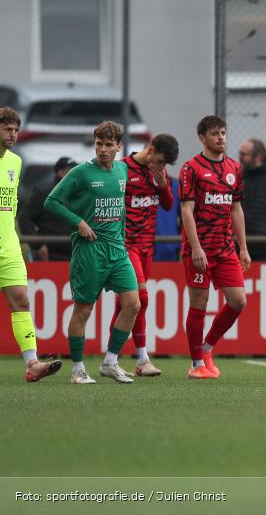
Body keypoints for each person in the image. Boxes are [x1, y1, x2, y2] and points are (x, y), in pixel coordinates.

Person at [45, 121, 141, 384]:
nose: (103, 149)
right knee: (84, 310)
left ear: (118, 147)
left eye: (109, 145)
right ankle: (77, 370)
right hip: (90, 251)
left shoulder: (122, 170)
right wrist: (79, 222)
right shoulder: (81, 173)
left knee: (133, 304)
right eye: (99, 144)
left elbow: (119, 208)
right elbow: (51, 202)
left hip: (117, 250)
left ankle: (110, 362)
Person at [180, 116, 251, 379]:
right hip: (199, 251)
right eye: (214, 134)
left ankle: (207, 348)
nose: (220, 137)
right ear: (202, 138)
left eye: (223, 133)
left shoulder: (234, 168)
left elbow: (236, 208)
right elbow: (186, 210)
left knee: (238, 301)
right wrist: (195, 247)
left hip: (225, 250)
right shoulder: (192, 168)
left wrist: (242, 247)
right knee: (199, 304)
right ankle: (197, 363)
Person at [108, 134, 179, 376]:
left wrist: (161, 184)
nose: (161, 167)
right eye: (159, 161)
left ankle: (111, 360)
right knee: (142, 298)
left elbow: (169, 205)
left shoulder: (158, 174)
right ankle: (142, 359)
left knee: (126, 305)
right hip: (126, 245)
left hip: (148, 246)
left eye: (164, 164)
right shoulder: (122, 169)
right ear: (150, 149)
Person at [0, 108, 62, 382]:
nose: (13, 134)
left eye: (15, 129)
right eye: (7, 129)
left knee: (22, 301)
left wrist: (17, 240)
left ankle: (32, 363)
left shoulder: (15, 162)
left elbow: (10, 208)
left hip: (8, 244)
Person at [19, 156, 77, 262]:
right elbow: (24, 218)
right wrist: (37, 245)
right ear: (60, 172)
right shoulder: (43, 192)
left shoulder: (81, 193)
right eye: (71, 170)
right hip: (49, 256)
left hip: (76, 255)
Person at [154, 178, 181, 262]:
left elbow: (187, 219)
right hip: (141, 251)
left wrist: (185, 247)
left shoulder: (176, 186)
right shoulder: (133, 183)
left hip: (172, 251)